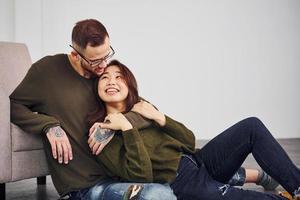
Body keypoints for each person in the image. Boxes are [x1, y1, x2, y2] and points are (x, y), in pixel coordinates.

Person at [9, 19, 177, 200]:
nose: (105, 65)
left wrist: (113, 125)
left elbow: (145, 109)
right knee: (158, 195)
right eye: (96, 60)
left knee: (167, 189)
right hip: (86, 186)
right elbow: (14, 105)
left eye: (107, 55)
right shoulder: (46, 72)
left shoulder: (105, 77)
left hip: (121, 174)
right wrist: (48, 125)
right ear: (75, 55)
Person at [87, 60, 300, 200]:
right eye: (104, 77)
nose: (111, 81)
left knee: (251, 126)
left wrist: (160, 117)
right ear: (97, 88)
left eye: (118, 76)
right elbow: (141, 176)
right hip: (182, 183)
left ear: (129, 84)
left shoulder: (142, 108)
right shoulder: (102, 133)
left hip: (198, 162)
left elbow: (188, 141)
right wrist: (127, 129)